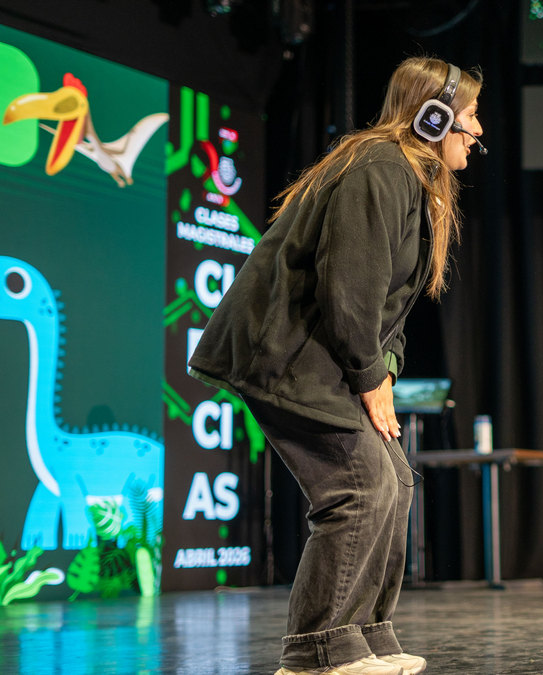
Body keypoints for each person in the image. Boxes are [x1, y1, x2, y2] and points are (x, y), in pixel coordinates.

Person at [188, 56, 484, 675]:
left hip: (321, 353)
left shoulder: (406, 177)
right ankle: (316, 652)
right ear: (434, 119)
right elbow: (349, 290)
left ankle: (364, 635)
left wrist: (386, 371)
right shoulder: (380, 168)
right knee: (360, 487)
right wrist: (370, 378)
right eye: (471, 115)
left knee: (395, 482)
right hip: (287, 354)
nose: (478, 130)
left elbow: (390, 308)